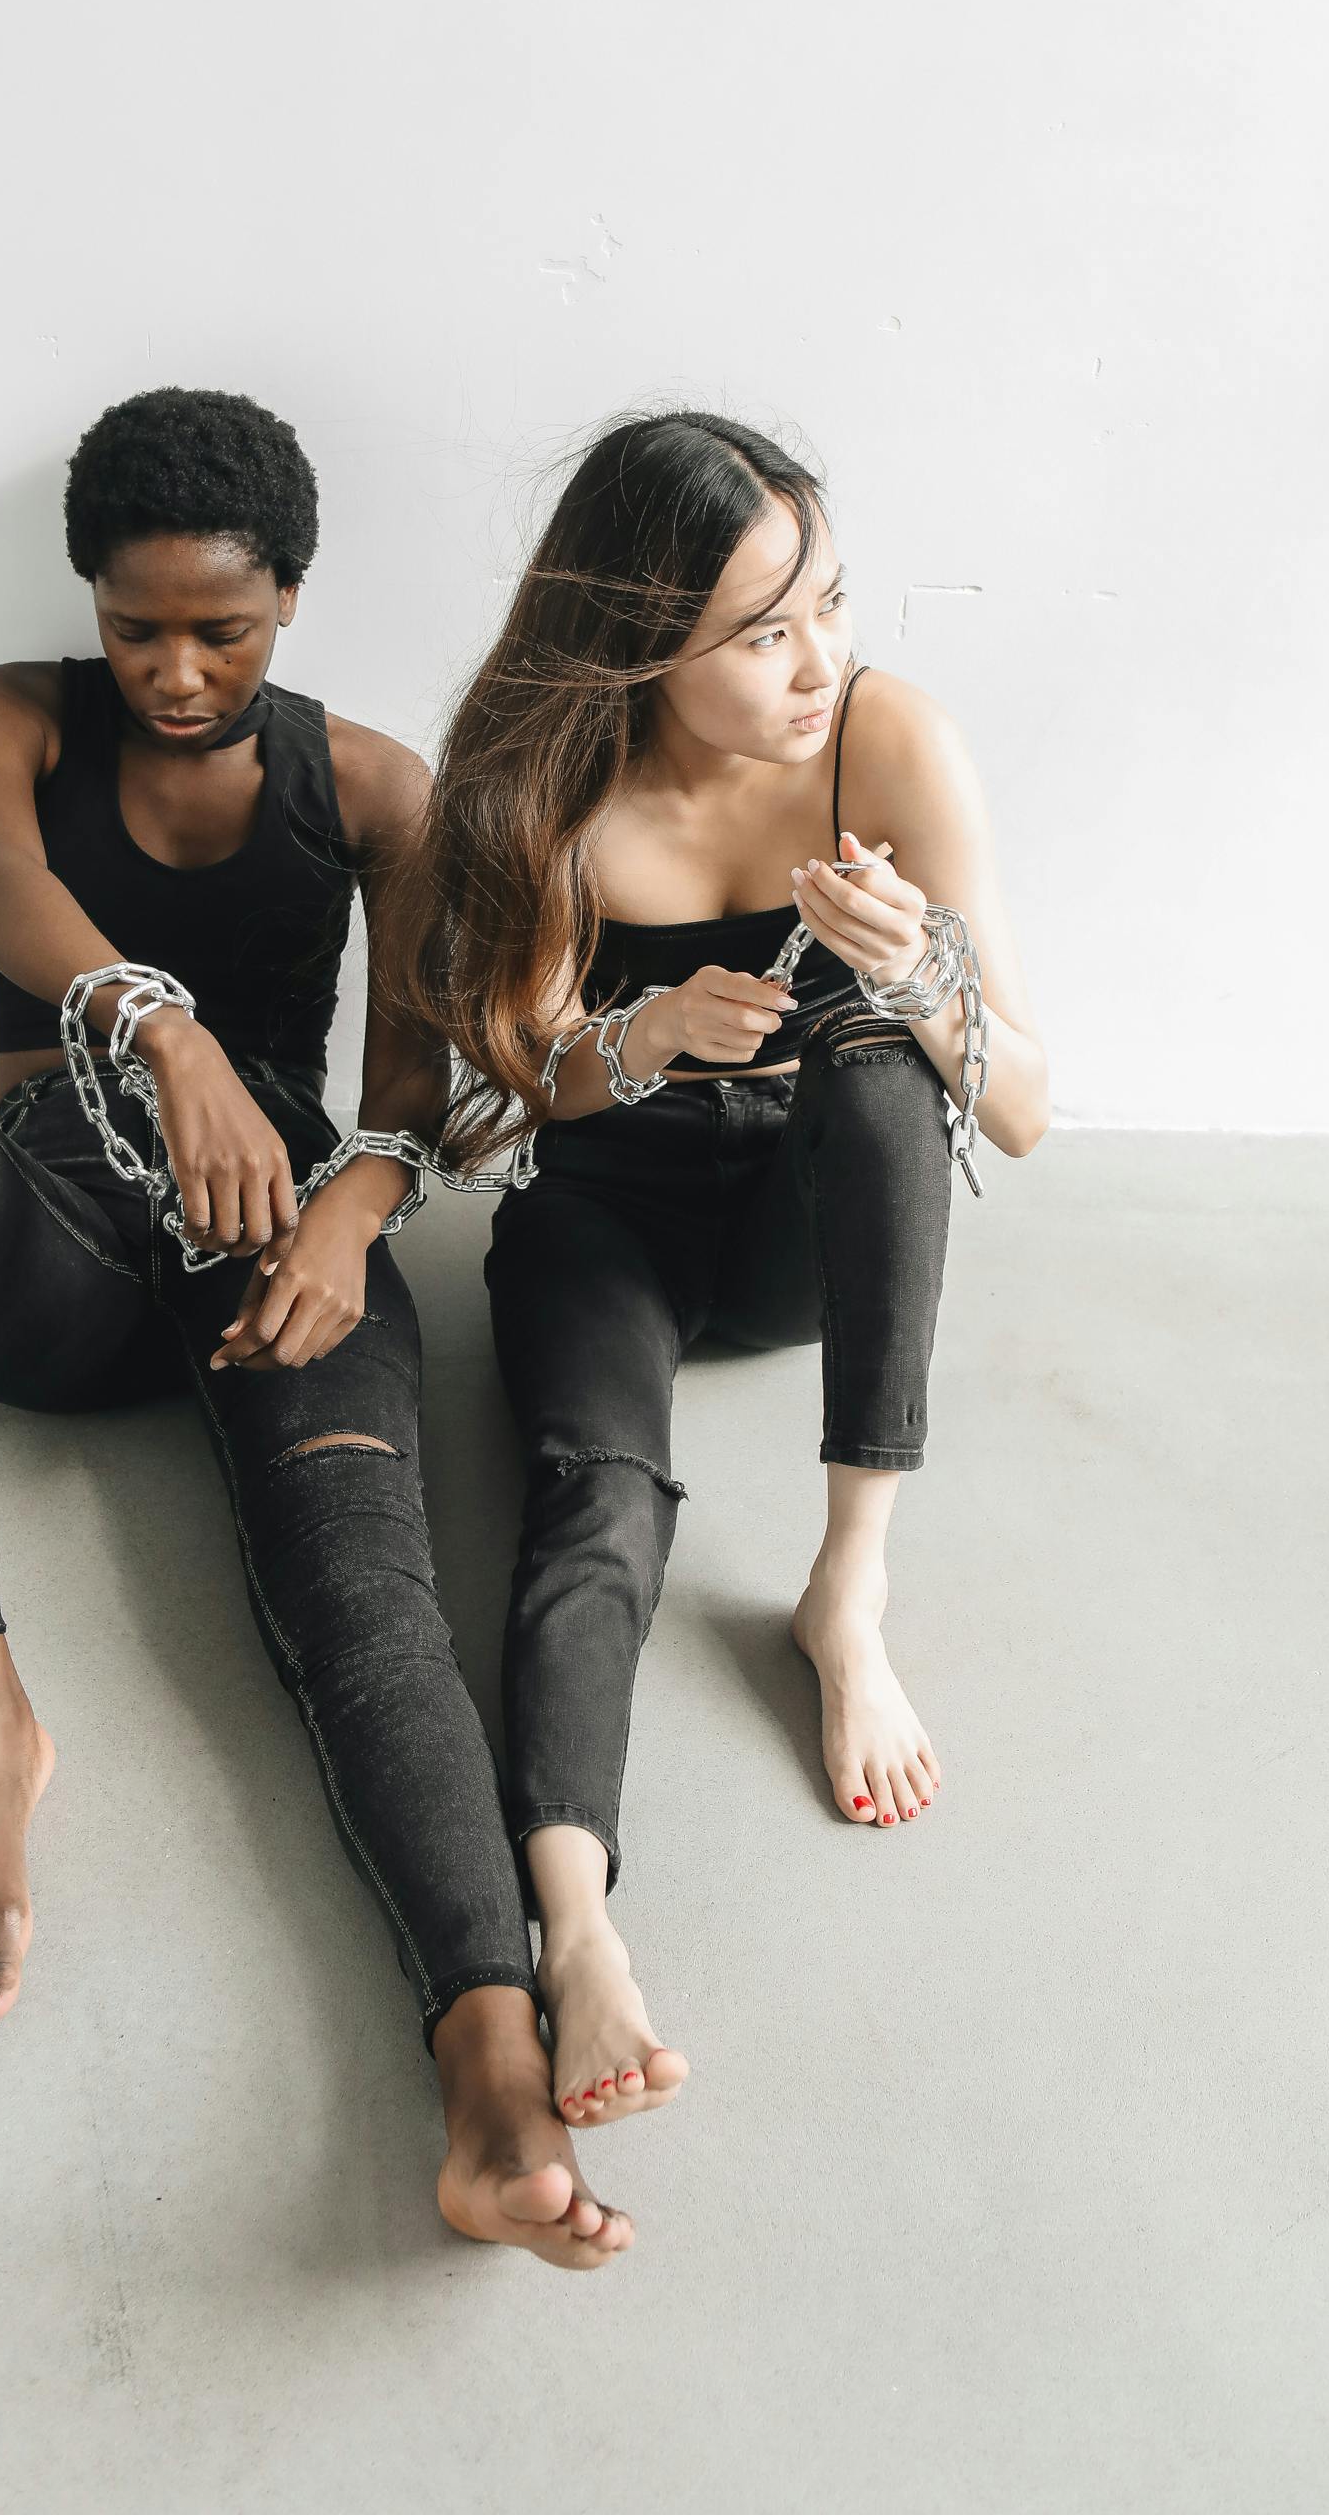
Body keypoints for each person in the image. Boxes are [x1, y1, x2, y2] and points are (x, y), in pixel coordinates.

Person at [0, 388, 631, 2270]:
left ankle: (490, 2075)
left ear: (293, 605)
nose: (172, 672)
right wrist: (161, 1033)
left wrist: (346, 1215)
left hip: (281, 1268)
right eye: (135, 626)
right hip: (63, 1245)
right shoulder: (6, 717)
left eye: (219, 633)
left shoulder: (379, 789)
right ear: (88, 606)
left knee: (366, 1610)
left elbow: (409, 1095)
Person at [390, 410, 1051, 2133]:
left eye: (828, 601)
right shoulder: (534, 790)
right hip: (603, 1215)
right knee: (593, 1500)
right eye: (763, 636)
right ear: (639, 645)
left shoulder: (885, 740)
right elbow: (500, 1105)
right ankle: (579, 1918)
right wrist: (648, 1035)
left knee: (880, 1065)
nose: (816, 659)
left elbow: (1031, 1111)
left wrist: (923, 984)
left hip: (805, 1235)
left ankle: (849, 1589)